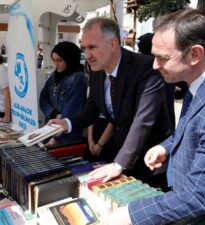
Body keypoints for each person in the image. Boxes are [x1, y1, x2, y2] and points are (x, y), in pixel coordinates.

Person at [106, 9, 205, 225]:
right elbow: (196, 128)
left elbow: (198, 196)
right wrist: (167, 147)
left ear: (195, 54)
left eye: (163, 58)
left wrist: (129, 215)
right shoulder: (201, 78)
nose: (154, 65)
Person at [49, 17, 172, 186]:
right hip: (121, 156)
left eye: (92, 47)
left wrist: (119, 163)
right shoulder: (97, 71)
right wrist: (66, 124)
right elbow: (90, 111)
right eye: (84, 48)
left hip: (152, 159)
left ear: (113, 44)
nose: (87, 55)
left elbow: (143, 121)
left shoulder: (146, 68)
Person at [39, 41, 87, 145]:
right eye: (54, 60)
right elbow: (43, 99)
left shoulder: (78, 79)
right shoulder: (54, 75)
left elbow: (72, 112)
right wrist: (53, 114)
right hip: (50, 130)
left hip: (66, 137)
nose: (56, 64)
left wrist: (55, 139)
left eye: (60, 60)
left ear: (69, 59)